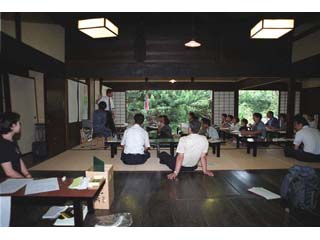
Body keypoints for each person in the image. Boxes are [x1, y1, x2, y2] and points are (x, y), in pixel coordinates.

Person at [0, 112, 32, 178]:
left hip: (17, 177)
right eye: (18, 123)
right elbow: (9, 172)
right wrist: (24, 180)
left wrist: (27, 175)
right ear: (12, 126)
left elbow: (19, 160)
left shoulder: (12, 141)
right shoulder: (2, 145)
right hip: (6, 182)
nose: (20, 125)